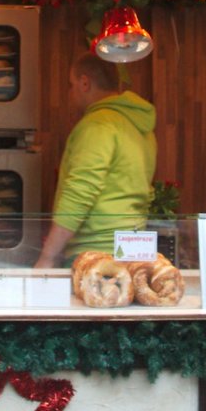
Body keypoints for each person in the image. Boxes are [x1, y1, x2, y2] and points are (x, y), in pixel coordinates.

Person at [34, 54, 158, 268]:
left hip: (96, 253)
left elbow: (80, 192)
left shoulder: (97, 125)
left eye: (71, 85)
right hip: (135, 251)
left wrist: (48, 256)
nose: (70, 92)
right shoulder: (142, 129)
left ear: (85, 83)